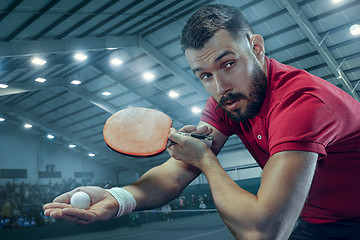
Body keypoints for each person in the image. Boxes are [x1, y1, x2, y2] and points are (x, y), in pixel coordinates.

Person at [43, 4, 360, 240]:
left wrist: (207, 162)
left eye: (229, 64)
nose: (220, 87)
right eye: (205, 75)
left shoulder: (302, 103)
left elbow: (263, 232)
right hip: (316, 222)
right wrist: (117, 198)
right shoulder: (229, 101)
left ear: (257, 48)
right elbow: (178, 172)